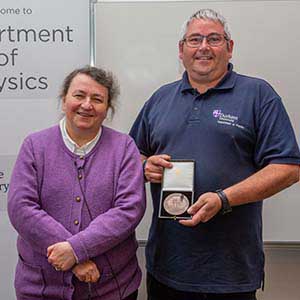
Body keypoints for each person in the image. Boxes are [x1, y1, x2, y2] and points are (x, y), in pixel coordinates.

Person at [129, 8, 300, 300]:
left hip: (231, 272)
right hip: (167, 268)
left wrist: (224, 199)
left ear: (230, 48)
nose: (204, 47)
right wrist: (144, 167)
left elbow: (288, 167)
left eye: (214, 39)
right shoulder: (159, 98)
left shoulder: (259, 95)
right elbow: (128, 158)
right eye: (194, 40)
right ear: (181, 50)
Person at [8, 66, 146, 300]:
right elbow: (21, 208)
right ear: (64, 101)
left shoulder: (124, 148)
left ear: (107, 109)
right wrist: (74, 259)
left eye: (97, 99)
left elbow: (129, 209)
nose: (87, 105)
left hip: (112, 289)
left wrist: (75, 250)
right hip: (41, 289)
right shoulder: (35, 146)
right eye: (79, 95)